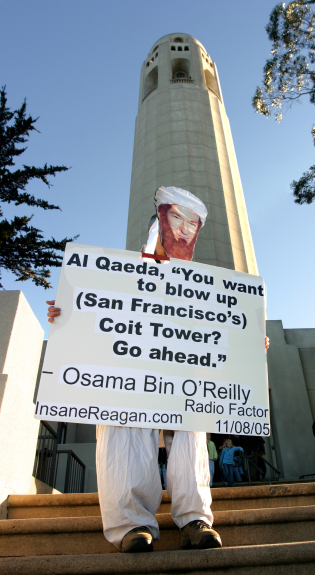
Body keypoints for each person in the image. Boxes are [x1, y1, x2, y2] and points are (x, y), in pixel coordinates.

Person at [47, 186, 269, 553]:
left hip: (185, 378)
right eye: (173, 222)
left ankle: (194, 519)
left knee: (191, 434)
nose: (181, 232)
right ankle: (131, 525)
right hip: (125, 375)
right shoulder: (114, 275)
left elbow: (221, 332)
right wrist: (69, 314)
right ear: (157, 228)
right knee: (124, 432)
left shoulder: (203, 287)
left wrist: (247, 342)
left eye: (190, 226)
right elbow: (89, 312)